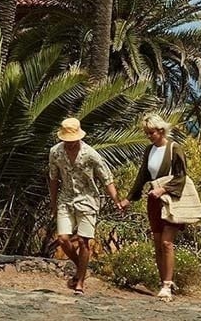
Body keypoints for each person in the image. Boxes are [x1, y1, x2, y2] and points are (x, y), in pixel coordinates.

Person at [118, 113, 188, 301]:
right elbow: (142, 175)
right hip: (154, 201)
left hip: (171, 200)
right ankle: (163, 281)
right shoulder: (149, 150)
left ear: (161, 130)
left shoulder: (174, 149)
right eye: (147, 133)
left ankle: (167, 284)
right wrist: (129, 198)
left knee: (167, 242)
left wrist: (164, 189)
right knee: (157, 243)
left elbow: (182, 176)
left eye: (151, 132)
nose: (149, 136)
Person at [48, 117, 121, 295]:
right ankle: (81, 266)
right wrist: (53, 201)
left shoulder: (90, 154)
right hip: (66, 199)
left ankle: (80, 280)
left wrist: (116, 200)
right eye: (67, 140)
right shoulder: (55, 152)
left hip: (87, 200)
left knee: (83, 240)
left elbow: (106, 178)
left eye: (73, 141)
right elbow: (53, 178)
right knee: (63, 238)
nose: (70, 144)